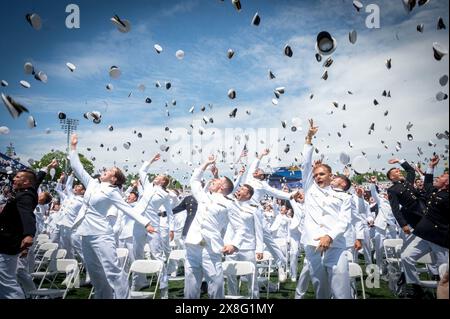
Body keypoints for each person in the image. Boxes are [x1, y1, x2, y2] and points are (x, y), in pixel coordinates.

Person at [69, 134, 156, 299]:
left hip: (102, 235)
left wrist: (146, 223)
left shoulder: (113, 191)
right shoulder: (93, 183)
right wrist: (73, 147)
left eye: (109, 171)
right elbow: (78, 168)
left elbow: (127, 209)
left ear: (114, 178)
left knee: (113, 272)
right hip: (85, 234)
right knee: (96, 274)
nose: (104, 171)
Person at [300, 119, 351, 299]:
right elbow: (306, 165)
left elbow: (344, 220)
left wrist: (329, 236)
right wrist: (308, 139)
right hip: (312, 244)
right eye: (315, 175)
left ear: (331, 175)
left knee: (340, 288)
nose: (317, 177)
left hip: (335, 244)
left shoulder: (344, 196)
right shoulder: (309, 188)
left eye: (321, 174)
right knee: (319, 285)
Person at [184, 155, 245, 299]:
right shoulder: (204, 196)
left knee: (216, 286)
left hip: (210, 248)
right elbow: (194, 180)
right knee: (191, 286)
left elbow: (241, 227)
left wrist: (234, 245)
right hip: (193, 245)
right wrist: (206, 163)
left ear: (222, 187)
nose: (213, 180)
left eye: (217, 180)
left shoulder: (229, 204)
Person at [400, 155, 449, 298]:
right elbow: (427, 183)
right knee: (406, 257)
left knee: (443, 272)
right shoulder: (436, 191)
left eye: (442, 177)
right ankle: (416, 288)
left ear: (447, 183)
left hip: (439, 240)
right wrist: (431, 166)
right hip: (422, 236)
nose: (438, 178)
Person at [0, 165, 48, 298]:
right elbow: (35, 181)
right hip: (6, 240)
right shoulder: (27, 191)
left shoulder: (25, 195)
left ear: (26, 182)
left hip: (6, 243)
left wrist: (28, 235)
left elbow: (28, 215)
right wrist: (44, 171)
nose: (14, 178)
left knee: (6, 284)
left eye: (17, 177)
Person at [224, 183, 264, 298]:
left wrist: (259, 249)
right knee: (231, 276)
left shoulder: (254, 209)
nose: (239, 190)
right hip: (231, 245)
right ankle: (233, 298)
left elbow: (259, 230)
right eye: (239, 188)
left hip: (247, 247)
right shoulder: (231, 204)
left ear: (248, 195)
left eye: (242, 189)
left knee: (252, 277)